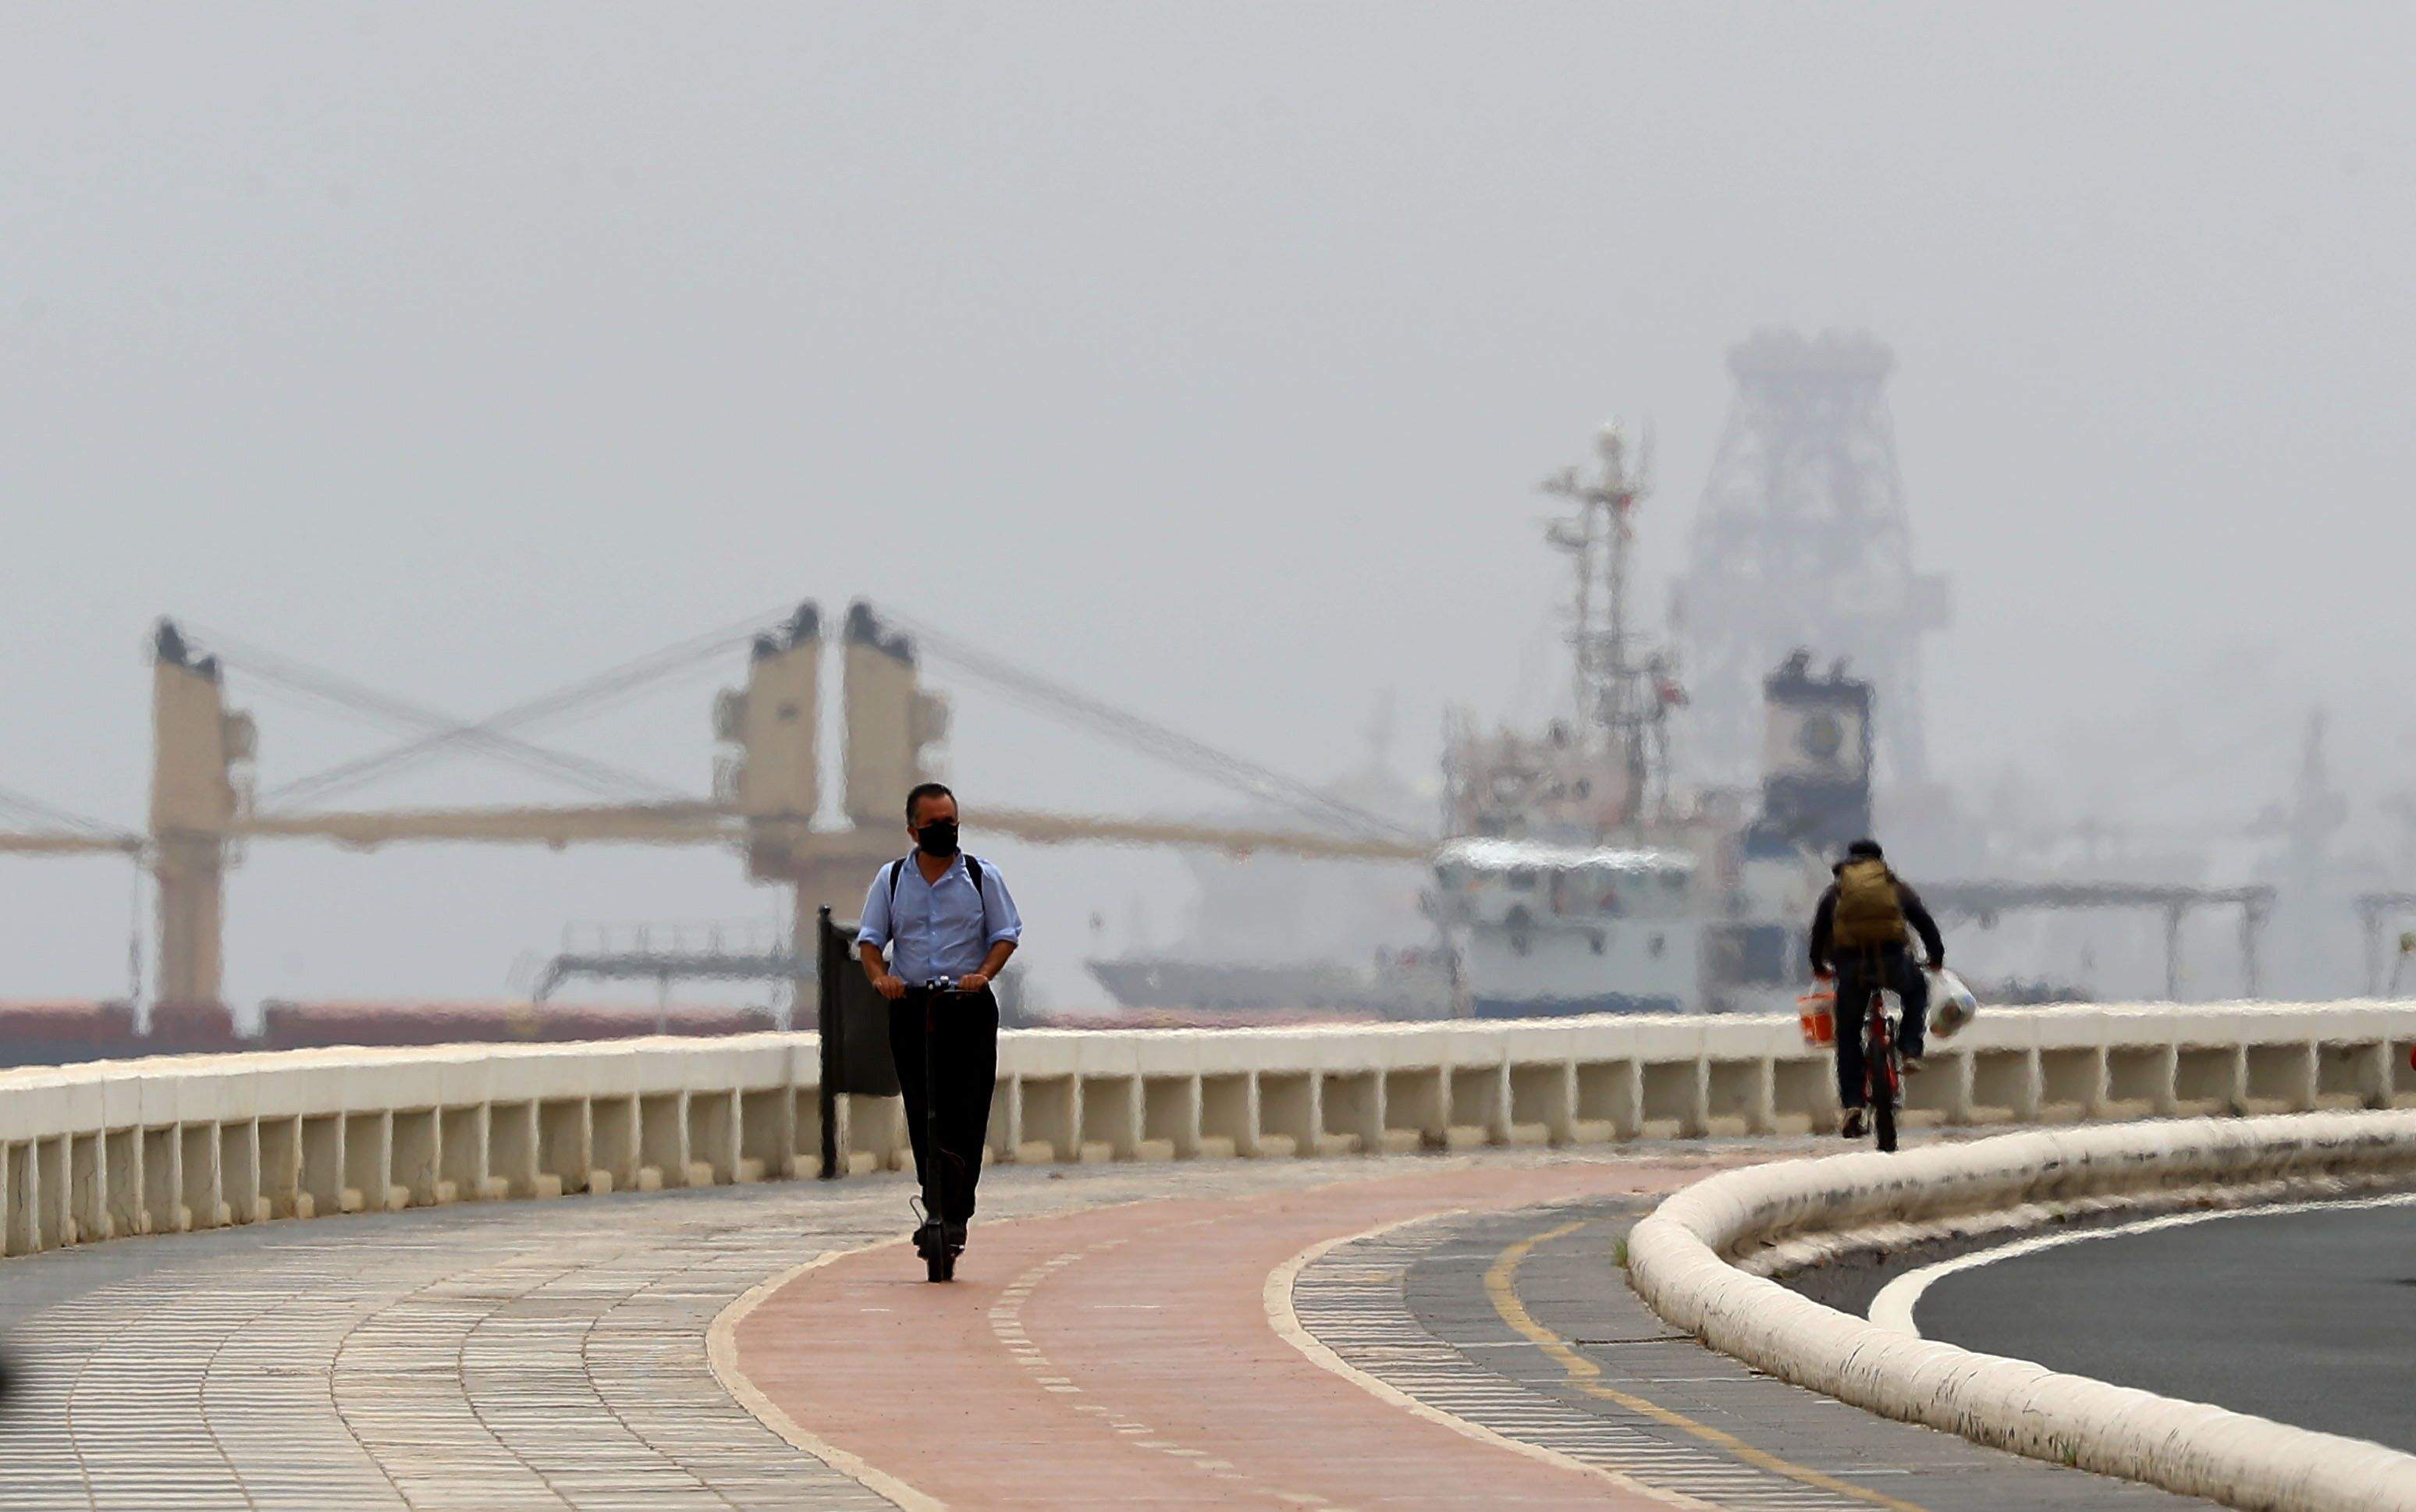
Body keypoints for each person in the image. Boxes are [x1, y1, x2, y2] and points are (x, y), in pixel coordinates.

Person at [856, 782, 1023, 1261]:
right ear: (913, 830)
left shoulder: (979, 875)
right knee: (922, 1109)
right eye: (933, 826)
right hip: (912, 1008)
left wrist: (982, 975)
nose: (943, 832)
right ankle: (934, 1206)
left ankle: (957, 1214)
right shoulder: (891, 880)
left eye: (950, 824)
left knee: (966, 1113)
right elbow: (871, 941)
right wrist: (880, 978)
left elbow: (1006, 934)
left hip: (966, 1008)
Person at [1808, 838, 1945, 1139]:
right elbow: (1924, 923)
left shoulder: (1837, 892)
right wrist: (1935, 958)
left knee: (1848, 1034)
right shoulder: (1895, 888)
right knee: (1916, 991)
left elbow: (1819, 933)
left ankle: (1853, 1105)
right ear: (1879, 861)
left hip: (1852, 969)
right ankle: (1909, 1049)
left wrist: (1819, 966)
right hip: (1893, 962)